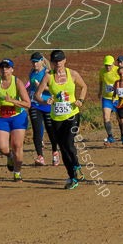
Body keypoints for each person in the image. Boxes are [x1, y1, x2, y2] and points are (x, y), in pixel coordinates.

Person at [33, 49, 88, 189]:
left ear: (65, 60)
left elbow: (84, 86)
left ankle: (76, 166)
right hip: (56, 118)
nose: (58, 63)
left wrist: (80, 100)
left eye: (60, 60)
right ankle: (72, 177)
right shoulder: (48, 76)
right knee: (63, 148)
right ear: (51, 62)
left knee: (68, 144)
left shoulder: (73, 74)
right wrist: (45, 102)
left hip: (72, 115)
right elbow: (36, 95)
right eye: (55, 61)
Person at [0, 59, 32, 182]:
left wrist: (12, 101)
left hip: (18, 116)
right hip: (1, 117)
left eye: (7, 67)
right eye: (2, 67)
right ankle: (10, 156)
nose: (5, 69)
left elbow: (27, 104)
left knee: (17, 145)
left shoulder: (17, 82)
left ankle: (17, 173)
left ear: (12, 69)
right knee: (1, 147)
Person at [26, 51, 60, 166]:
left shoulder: (48, 73)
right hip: (34, 104)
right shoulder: (31, 72)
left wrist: (41, 87)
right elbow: (30, 86)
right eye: (33, 62)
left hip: (47, 104)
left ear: (42, 61)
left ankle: (55, 152)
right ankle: (40, 156)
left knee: (50, 130)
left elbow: (53, 89)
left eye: (36, 62)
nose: (34, 64)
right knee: (36, 130)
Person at [98, 55, 121, 145]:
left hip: (117, 99)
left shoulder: (118, 71)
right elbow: (100, 81)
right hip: (106, 98)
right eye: (106, 65)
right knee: (106, 117)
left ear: (113, 63)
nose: (107, 67)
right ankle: (110, 137)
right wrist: (100, 91)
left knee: (120, 119)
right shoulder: (102, 71)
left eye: (109, 65)